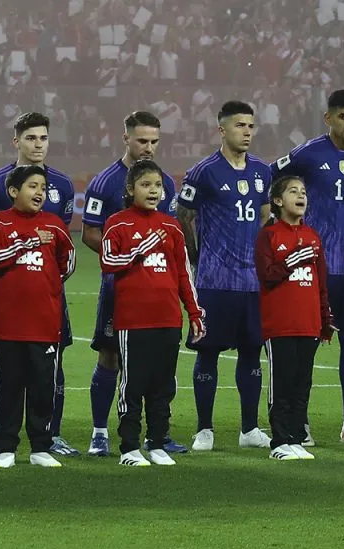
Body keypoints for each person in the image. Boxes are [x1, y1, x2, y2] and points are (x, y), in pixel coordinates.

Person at [270, 89, 344, 445]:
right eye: (343, 117)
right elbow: (272, 177)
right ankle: (298, 423)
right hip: (312, 270)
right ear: (328, 118)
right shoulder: (309, 153)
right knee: (304, 347)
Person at [0, 112, 79, 458]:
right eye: (31, 138)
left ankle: (50, 436)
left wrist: (47, 279)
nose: (38, 144)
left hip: (46, 296)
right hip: (8, 295)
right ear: (16, 141)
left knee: (51, 366)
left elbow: (60, 245)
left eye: (43, 138)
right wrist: (18, 256)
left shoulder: (62, 184)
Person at [79, 110, 184, 457]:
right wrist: (126, 255)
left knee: (156, 365)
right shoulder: (104, 182)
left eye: (154, 141)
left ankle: (158, 436)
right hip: (119, 287)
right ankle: (99, 432)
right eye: (142, 140)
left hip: (156, 290)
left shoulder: (163, 182)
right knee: (110, 357)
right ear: (126, 139)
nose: (148, 147)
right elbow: (89, 233)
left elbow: (168, 234)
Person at [176, 101, 273, 452]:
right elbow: (182, 216)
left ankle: (249, 429)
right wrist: (197, 256)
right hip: (214, 281)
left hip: (251, 282)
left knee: (251, 351)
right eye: (239, 126)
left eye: (250, 126)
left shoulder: (262, 172)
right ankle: (205, 430)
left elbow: (264, 216)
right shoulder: (204, 172)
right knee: (208, 352)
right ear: (222, 129)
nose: (246, 132)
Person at [100, 160, 205, 467]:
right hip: (134, 321)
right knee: (132, 385)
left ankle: (157, 443)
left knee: (162, 387)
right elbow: (108, 262)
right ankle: (129, 447)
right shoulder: (118, 223)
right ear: (131, 189)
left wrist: (194, 312)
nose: (153, 191)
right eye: (146, 185)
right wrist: (138, 251)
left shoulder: (171, 226)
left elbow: (183, 275)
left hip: (168, 319)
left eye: (158, 185)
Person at [254, 176, 334, 461]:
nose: (301, 196)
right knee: (282, 382)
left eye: (303, 192)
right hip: (280, 324)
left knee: (302, 383)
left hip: (308, 323)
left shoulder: (313, 236)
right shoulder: (269, 235)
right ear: (277, 201)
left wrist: (325, 319)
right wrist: (293, 259)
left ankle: (297, 437)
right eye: (293, 192)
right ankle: (279, 441)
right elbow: (267, 275)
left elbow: (320, 283)